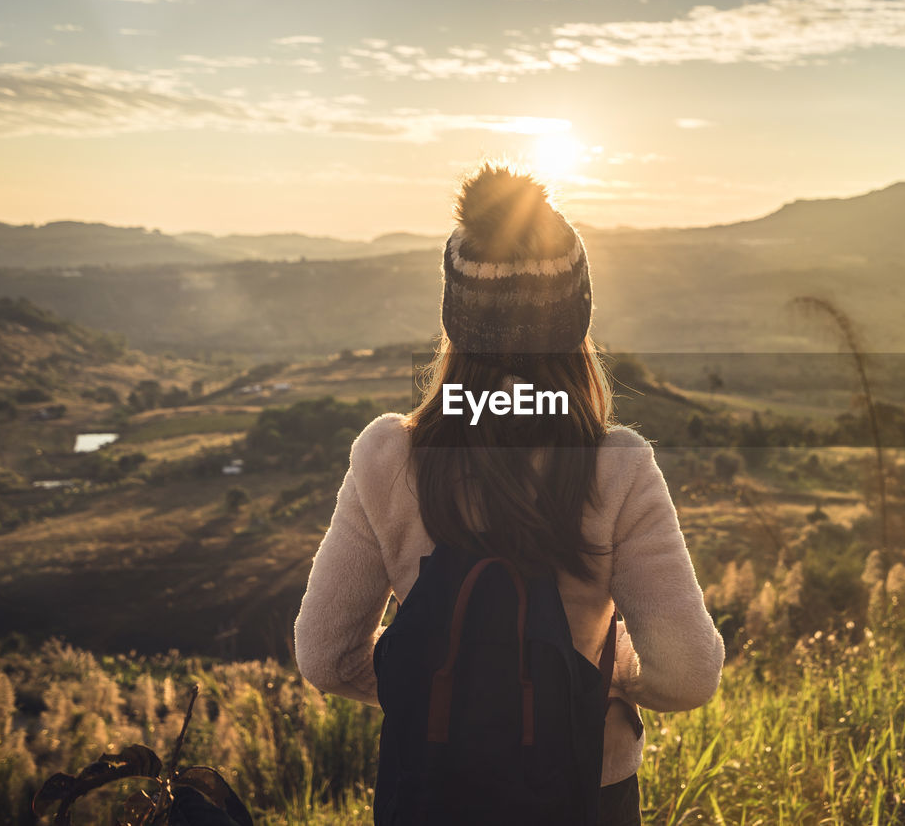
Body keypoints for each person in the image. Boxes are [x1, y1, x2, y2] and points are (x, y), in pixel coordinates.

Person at [293, 162, 725, 825]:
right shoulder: (618, 468)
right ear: (577, 321)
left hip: (432, 787)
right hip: (585, 787)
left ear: (456, 323)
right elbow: (689, 672)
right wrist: (586, 673)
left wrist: (451, 684)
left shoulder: (387, 456)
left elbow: (324, 655)